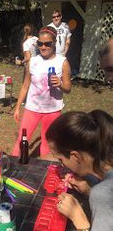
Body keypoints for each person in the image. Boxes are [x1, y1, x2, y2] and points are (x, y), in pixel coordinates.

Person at [46, 110, 113, 231]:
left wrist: (79, 218)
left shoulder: (104, 194)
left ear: (75, 156)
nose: (62, 165)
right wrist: (90, 188)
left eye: (61, 160)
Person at [12, 26, 71, 157]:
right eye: (40, 43)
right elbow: (25, 86)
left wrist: (60, 84)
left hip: (52, 110)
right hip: (32, 108)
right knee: (22, 139)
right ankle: (13, 167)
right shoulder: (32, 61)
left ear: (54, 43)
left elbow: (68, 88)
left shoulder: (62, 62)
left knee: (46, 143)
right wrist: (17, 107)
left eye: (47, 44)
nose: (43, 47)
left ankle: (43, 172)